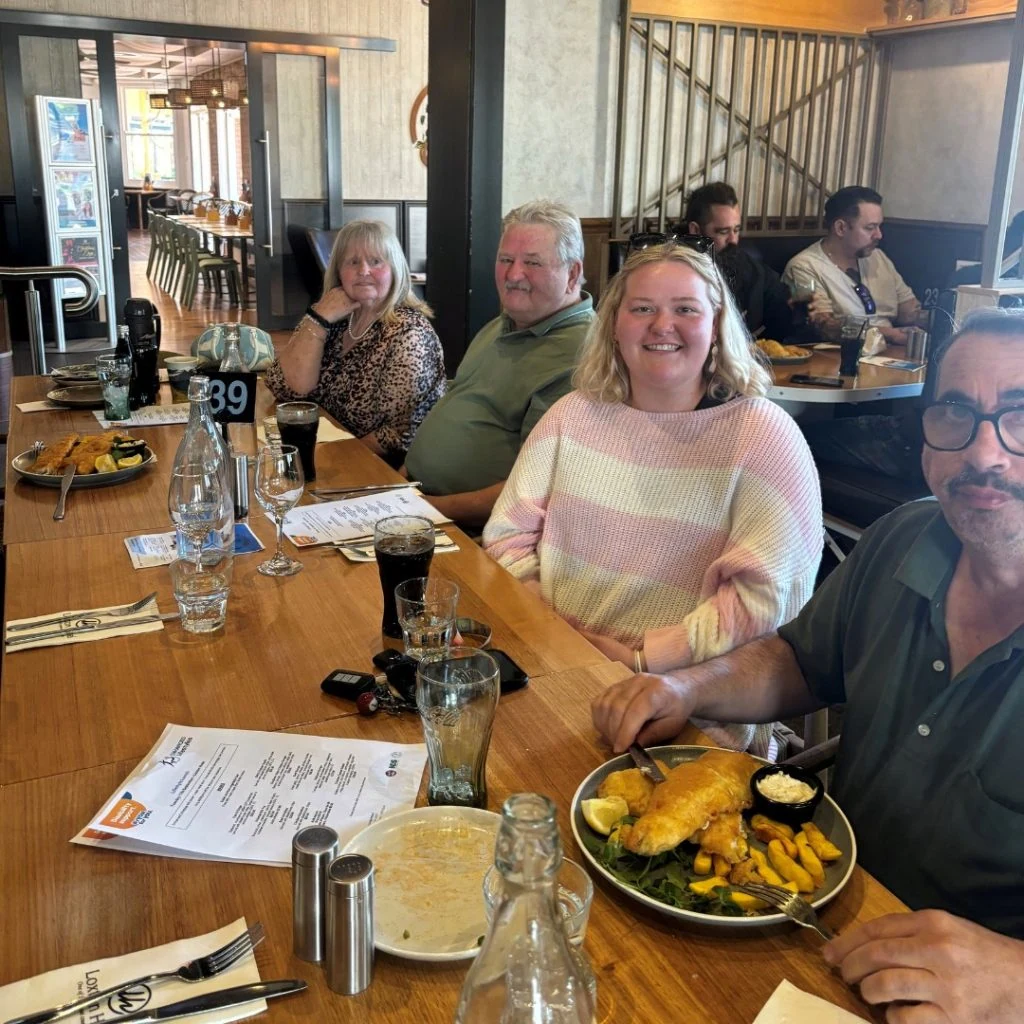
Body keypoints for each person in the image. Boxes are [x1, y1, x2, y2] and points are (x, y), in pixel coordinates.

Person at [592, 307, 1024, 1020]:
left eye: (1017, 414)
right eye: (956, 413)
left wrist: (1012, 978)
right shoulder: (903, 537)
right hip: (810, 927)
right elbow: (799, 659)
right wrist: (687, 685)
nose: (984, 454)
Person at [485, 243, 822, 756]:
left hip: (688, 716)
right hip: (553, 675)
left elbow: (764, 602)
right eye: (642, 308)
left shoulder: (762, 434)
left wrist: (642, 661)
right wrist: (558, 636)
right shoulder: (572, 415)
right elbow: (507, 536)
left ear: (716, 325)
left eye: (685, 309)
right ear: (614, 325)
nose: (662, 324)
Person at [404, 200, 594, 527]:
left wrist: (426, 510)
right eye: (506, 259)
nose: (513, 274)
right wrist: (400, 484)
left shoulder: (580, 354)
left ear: (572, 273)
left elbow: (532, 490)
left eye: (532, 263)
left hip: (470, 532)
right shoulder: (505, 323)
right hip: (414, 500)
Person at [265, 219, 445, 465]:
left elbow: (399, 436)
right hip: (320, 453)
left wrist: (327, 459)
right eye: (352, 262)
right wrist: (318, 319)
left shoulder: (408, 333)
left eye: (376, 261)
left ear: (395, 269)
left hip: (373, 468)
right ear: (338, 271)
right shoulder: (335, 316)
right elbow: (286, 387)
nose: (363, 271)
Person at [782, 185, 926, 346]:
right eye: (870, 228)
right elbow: (824, 327)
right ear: (841, 228)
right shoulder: (805, 266)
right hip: (841, 356)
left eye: (879, 226)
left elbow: (909, 313)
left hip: (892, 355)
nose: (879, 235)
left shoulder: (878, 257)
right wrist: (888, 334)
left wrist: (941, 317)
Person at [682, 182, 793, 342]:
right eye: (723, 231)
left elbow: (780, 304)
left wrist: (797, 307)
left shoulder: (750, 268)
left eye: (736, 230)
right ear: (696, 231)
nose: (733, 240)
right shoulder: (674, 271)